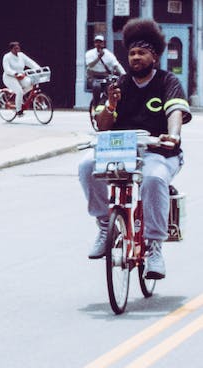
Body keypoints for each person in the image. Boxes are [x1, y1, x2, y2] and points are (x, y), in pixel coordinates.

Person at [78, 17, 190, 279]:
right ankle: (105, 225)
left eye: (141, 52)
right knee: (85, 165)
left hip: (159, 152)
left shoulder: (167, 82)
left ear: (154, 56)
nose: (135, 57)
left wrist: (172, 136)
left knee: (152, 178)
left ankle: (154, 248)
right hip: (121, 151)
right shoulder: (118, 85)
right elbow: (103, 126)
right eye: (131, 53)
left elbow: (175, 111)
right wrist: (112, 105)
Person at [85, 35, 125, 110]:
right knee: (97, 87)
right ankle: (95, 106)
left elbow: (116, 65)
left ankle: (107, 103)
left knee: (111, 88)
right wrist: (99, 57)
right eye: (96, 42)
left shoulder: (109, 54)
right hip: (94, 77)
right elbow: (90, 65)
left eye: (100, 42)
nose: (98, 44)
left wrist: (123, 74)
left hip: (105, 76)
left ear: (103, 43)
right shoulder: (89, 53)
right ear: (94, 43)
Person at [1, 41, 41, 115]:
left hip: (21, 76)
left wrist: (39, 68)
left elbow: (30, 63)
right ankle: (18, 110)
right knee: (19, 91)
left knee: (31, 84)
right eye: (15, 48)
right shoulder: (7, 57)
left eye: (18, 48)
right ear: (11, 49)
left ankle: (19, 98)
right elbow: (7, 69)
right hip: (9, 77)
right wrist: (15, 74)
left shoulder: (21, 55)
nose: (17, 49)